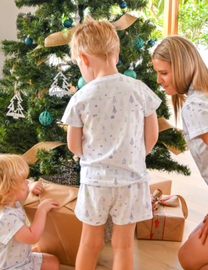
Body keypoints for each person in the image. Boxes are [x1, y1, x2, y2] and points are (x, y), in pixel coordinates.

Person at [62, 16, 161, 270]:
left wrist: (94, 157)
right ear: (115, 56)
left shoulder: (81, 97)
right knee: (124, 245)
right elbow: (152, 136)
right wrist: (136, 155)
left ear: (83, 59)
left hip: (95, 182)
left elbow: (74, 145)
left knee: (89, 242)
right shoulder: (139, 89)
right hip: (132, 180)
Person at [152, 35, 208, 270]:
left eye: (164, 73)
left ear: (181, 68)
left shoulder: (195, 105)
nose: (159, 80)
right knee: (192, 245)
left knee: (189, 259)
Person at [0, 154, 60, 270]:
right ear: (7, 190)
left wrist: (32, 186)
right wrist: (41, 209)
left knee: (53, 262)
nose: (27, 182)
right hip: (14, 267)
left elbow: (23, 187)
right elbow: (33, 237)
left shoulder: (9, 198)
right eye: (23, 181)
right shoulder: (6, 218)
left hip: (23, 257)